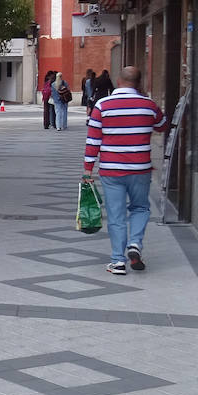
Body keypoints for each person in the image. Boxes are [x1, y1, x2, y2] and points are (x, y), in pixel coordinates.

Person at [82, 65, 168, 274]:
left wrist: (87, 170)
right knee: (140, 208)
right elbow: (163, 125)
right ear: (139, 83)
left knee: (116, 215)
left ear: (119, 81)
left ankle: (118, 261)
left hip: (111, 170)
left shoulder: (102, 105)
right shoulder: (148, 105)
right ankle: (135, 243)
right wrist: (146, 103)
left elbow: (93, 140)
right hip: (140, 169)